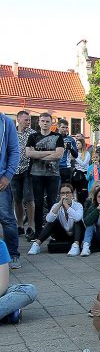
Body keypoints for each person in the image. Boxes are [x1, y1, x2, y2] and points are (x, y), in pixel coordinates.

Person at [26, 113, 64, 240]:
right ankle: (38, 232)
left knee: (52, 203)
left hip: (53, 175)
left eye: (47, 121)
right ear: (39, 122)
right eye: (42, 121)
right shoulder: (33, 136)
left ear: (51, 123)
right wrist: (50, 152)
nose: (45, 123)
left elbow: (59, 155)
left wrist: (38, 154)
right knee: (38, 203)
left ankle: (53, 232)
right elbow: (28, 154)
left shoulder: (57, 136)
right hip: (36, 174)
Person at [27, 183, 84, 257]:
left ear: (72, 194)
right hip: (62, 234)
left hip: (76, 235)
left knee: (78, 221)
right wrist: (60, 204)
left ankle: (76, 246)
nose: (65, 195)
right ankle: (36, 244)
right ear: (60, 195)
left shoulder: (78, 205)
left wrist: (66, 206)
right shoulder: (56, 206)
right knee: (53, 220)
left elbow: (77, 218)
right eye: (63, 193)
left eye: (67, 193)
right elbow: (49, 219)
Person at [11, 110, 36, 242]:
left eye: (29, 119)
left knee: (29, 198)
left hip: (28, 169)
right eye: (26, 119)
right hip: (13, 170)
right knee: (17, 199)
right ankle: (19, 224)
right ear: (18, 119)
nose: (28, 122)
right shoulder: (11, 132)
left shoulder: (32, 133)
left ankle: (30, 226)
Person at [0, 113, 21, 269]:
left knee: (7, 218)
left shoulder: (6, 122)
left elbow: (14, 151)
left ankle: (13, 255)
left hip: (2, 181)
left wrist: (8, 175)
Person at [0, 238, 37, 324]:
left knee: (29, 290)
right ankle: (7, 312)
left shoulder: (0, 245)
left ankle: (7, 311)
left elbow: (2, 285)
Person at [57, 119, 78, 183]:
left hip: (65, 167)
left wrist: (70, 148)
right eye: (63, 127)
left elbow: (76, 155)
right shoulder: (53, 137)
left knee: (65, 189)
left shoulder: (70, 139)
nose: (65, 129)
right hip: (54, 167)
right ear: (58, 127)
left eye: (66, 127)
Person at [72, 137, 90, 203]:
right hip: (76, 174)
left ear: (82, 144)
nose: (77, 145)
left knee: (82, 194)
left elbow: (83, 164)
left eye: (78, 143)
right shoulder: (74, 152)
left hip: (84, 175)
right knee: (73, 191)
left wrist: (75, 157)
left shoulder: (87, 153)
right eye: (76, 143)